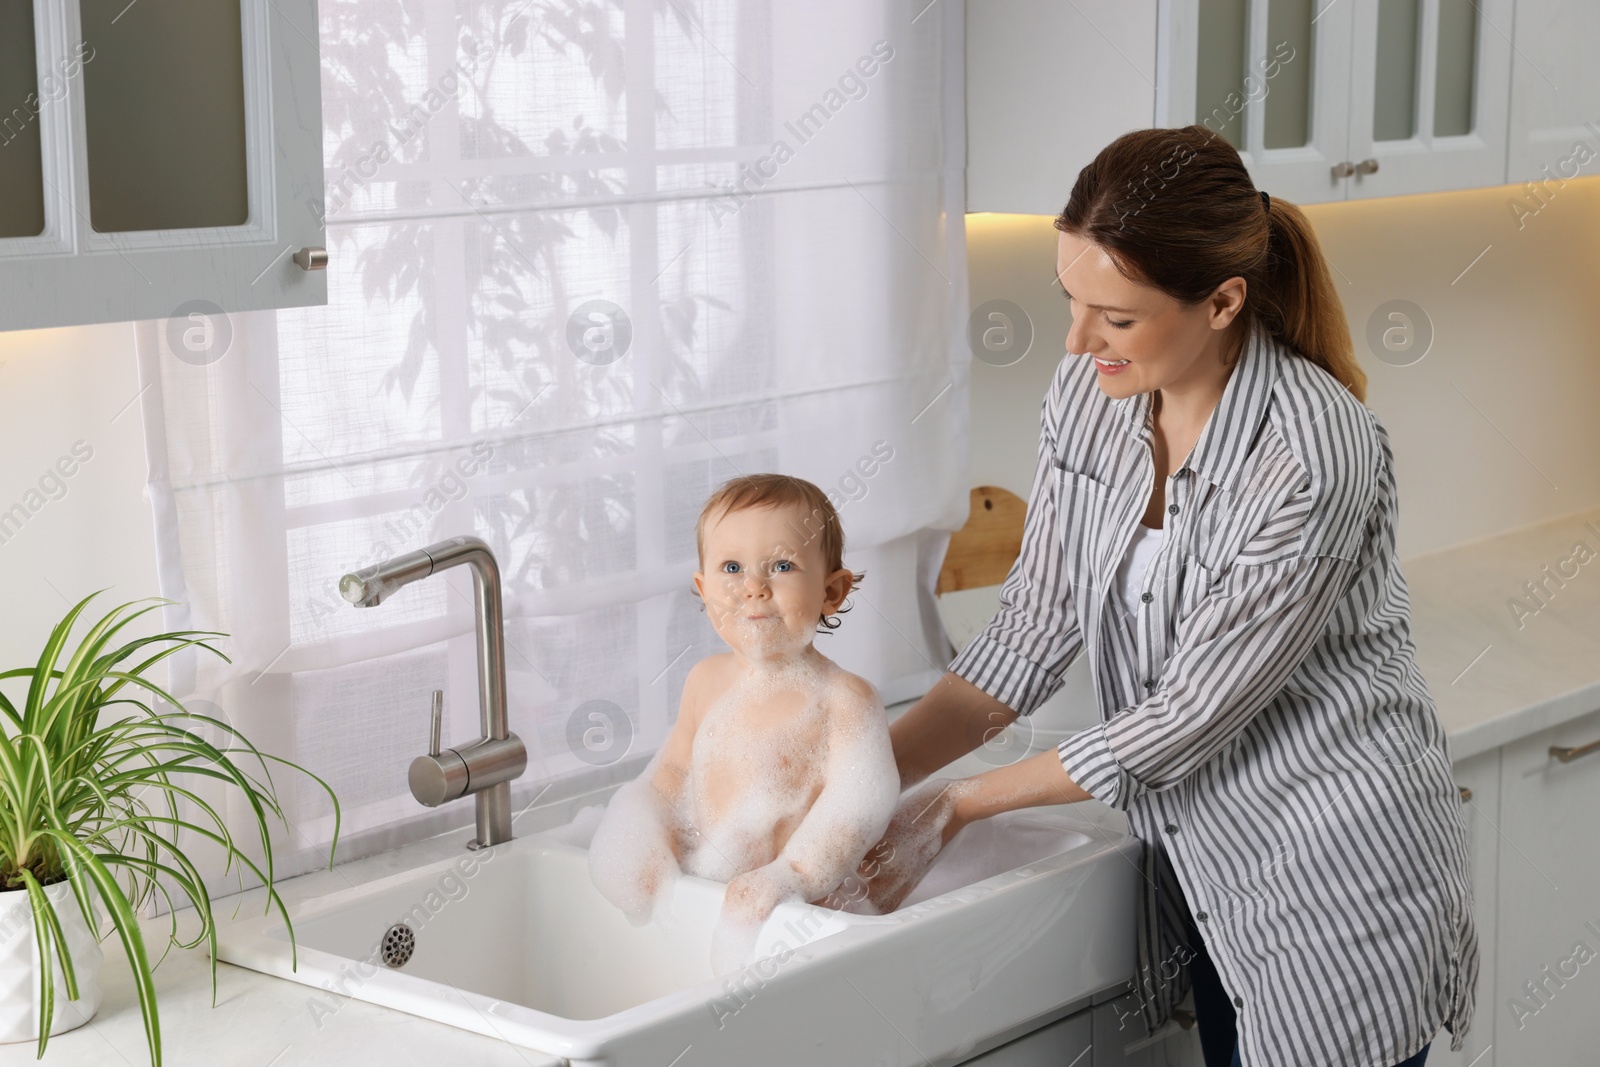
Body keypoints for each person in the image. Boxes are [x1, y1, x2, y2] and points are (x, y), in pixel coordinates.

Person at [857, 126, 1476, 1067]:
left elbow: (1186, 717)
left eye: (1115, 316)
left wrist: (955, 805)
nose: (1074, 341)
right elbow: (1032, 627)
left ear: (1224, 300)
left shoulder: (1311, 454)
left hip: (1334, 873)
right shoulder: (1086, 394)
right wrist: (857, 789)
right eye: (1070, 299)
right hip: (1201, 859)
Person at [586, 473, 899, 974]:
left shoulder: (845, 700)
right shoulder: (703, 680)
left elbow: (847, 819)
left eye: (782, 565)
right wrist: (650, 845)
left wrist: (788, 877)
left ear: (832, 591)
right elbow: (669, 778)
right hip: (706, 893)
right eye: (732, 567)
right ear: (704, 588)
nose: (754, 587)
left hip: (805, 917)